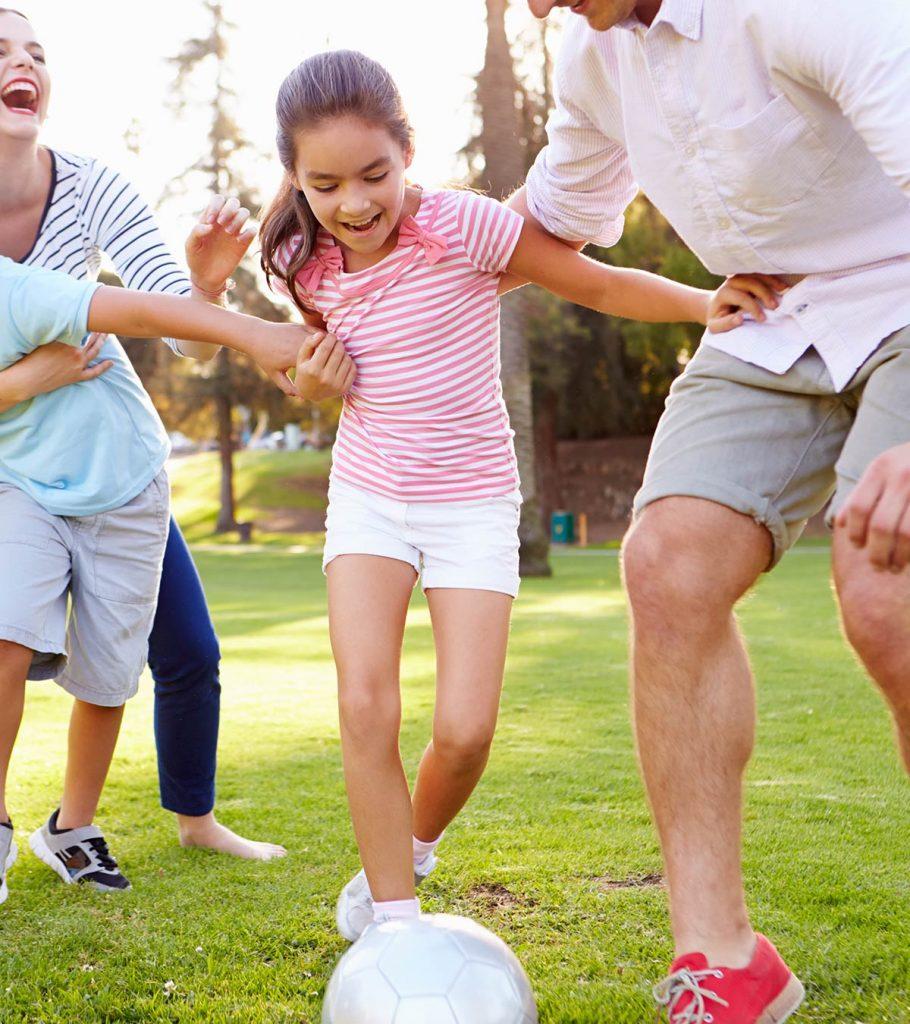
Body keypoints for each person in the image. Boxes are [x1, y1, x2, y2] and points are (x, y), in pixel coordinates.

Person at [253, 48, 773, 942]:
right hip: (371, 493)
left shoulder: (467, 228)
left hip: (473, 503)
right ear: (294, 177)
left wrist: (701, 303)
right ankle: (394, 921)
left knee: (465, 730)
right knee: (365, 704)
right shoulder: (303, 260)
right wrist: (310, 388)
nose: (353, 203)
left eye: (374, 174)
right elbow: (307, 373)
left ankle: (412, 847)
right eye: (324, 182)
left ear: (407, 152)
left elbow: (595, 283)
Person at [520, 1, 910, 1020]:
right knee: (666, 563)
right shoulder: (593, 53)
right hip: (771, 314)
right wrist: (391, 220)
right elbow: (548, 220)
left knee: (884, 579)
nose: (536, 4)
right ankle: (724, 962)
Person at [0, 6, 354, 860]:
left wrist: (205, 285)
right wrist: (29, 377)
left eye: (36, 52)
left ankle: (146, 824)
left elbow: (176, 323)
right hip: (13, 469)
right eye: (1, 50)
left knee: (182, 653)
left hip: (111, 461)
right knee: (8, 635)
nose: (24, 63)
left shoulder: (92, 186)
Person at [0, 254, 322, 901]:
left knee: (110, 673)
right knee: (6, 637)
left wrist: (252, 333)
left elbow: (145, 308)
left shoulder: (18, 288)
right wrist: (18, 383)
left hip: (124, 480)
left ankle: (72, 827)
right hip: (23, 484)